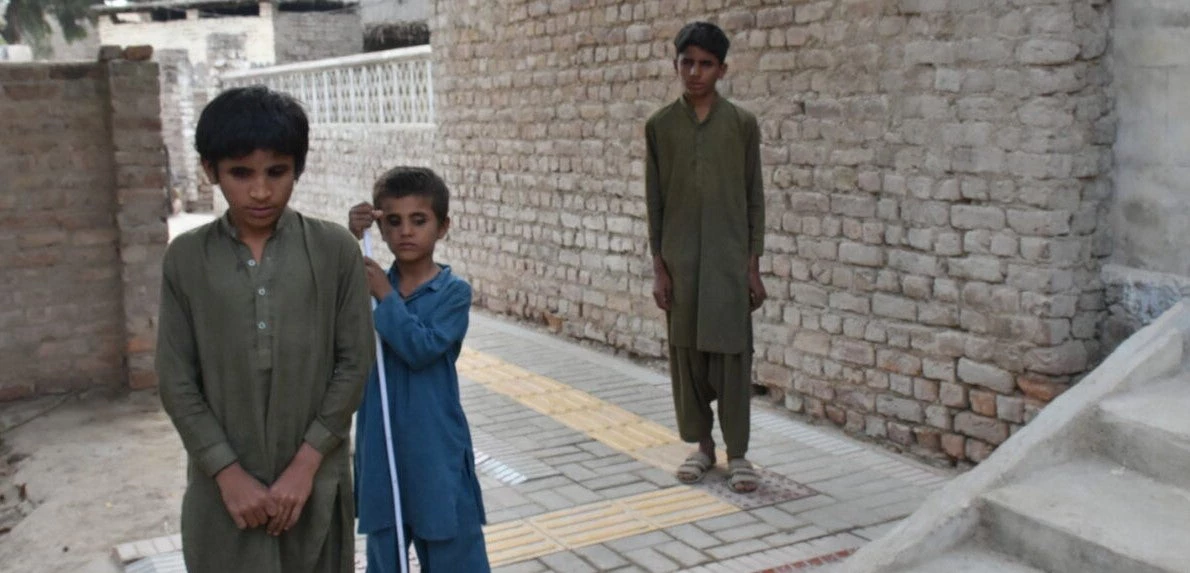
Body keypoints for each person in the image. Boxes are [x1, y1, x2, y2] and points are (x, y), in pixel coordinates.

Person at [156, 86, 375, 572]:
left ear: (297, 168)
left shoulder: (334, 250)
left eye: (276, 172)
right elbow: (175, 378)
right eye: (240, 173)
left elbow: (354, 362)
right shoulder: (187, 258)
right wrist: (227, 472)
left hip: (314, 484)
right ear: (211, 171)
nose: (260, 191)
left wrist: (306, 465)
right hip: (224, 492)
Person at [347, 167, 490, 573]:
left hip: (435, 447)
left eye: (418, 220)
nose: (405, 232)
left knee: (453, 547)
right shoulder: (367, 284)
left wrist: (385, 297)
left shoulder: (452, 293)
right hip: (381, 443)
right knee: (385, 549)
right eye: (393, 221)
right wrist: (351, 240)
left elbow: (421, 348)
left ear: (442, 227)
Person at [644, 21, 767, 493]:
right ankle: (702, 447)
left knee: (732, 359)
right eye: (687, 62)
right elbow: (654, 201)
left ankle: (738, 455)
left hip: (729, 263)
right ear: (676, 64)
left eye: (706, 64)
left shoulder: (741, 125)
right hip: (681, 266)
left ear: (722, 69)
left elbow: (754, 196)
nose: (695, 73)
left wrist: (752, 264)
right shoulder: (660, 126)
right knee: (687, 359)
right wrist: (660, 267)